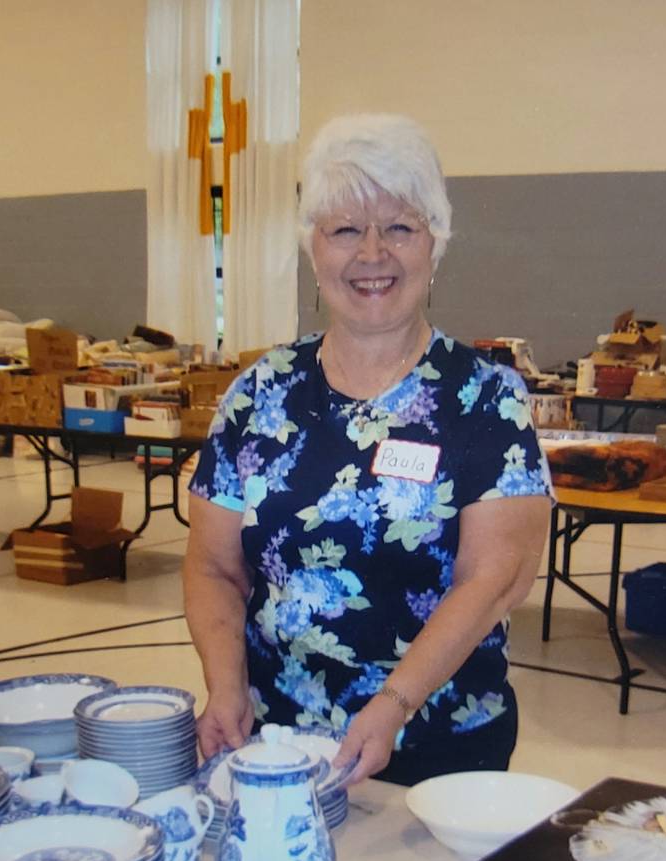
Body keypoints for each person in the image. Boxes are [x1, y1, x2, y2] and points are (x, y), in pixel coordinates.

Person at [184, 113, 552, 787]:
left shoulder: (487, 400)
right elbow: (213, 568)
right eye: (346, 229)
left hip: (438, 744)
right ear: (313, 247)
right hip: (280, 743)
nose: (373, 254)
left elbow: (495, 578)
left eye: (401, 228)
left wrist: (393, 703)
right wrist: (226, 685)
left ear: (435, 244)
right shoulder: (257, 395)